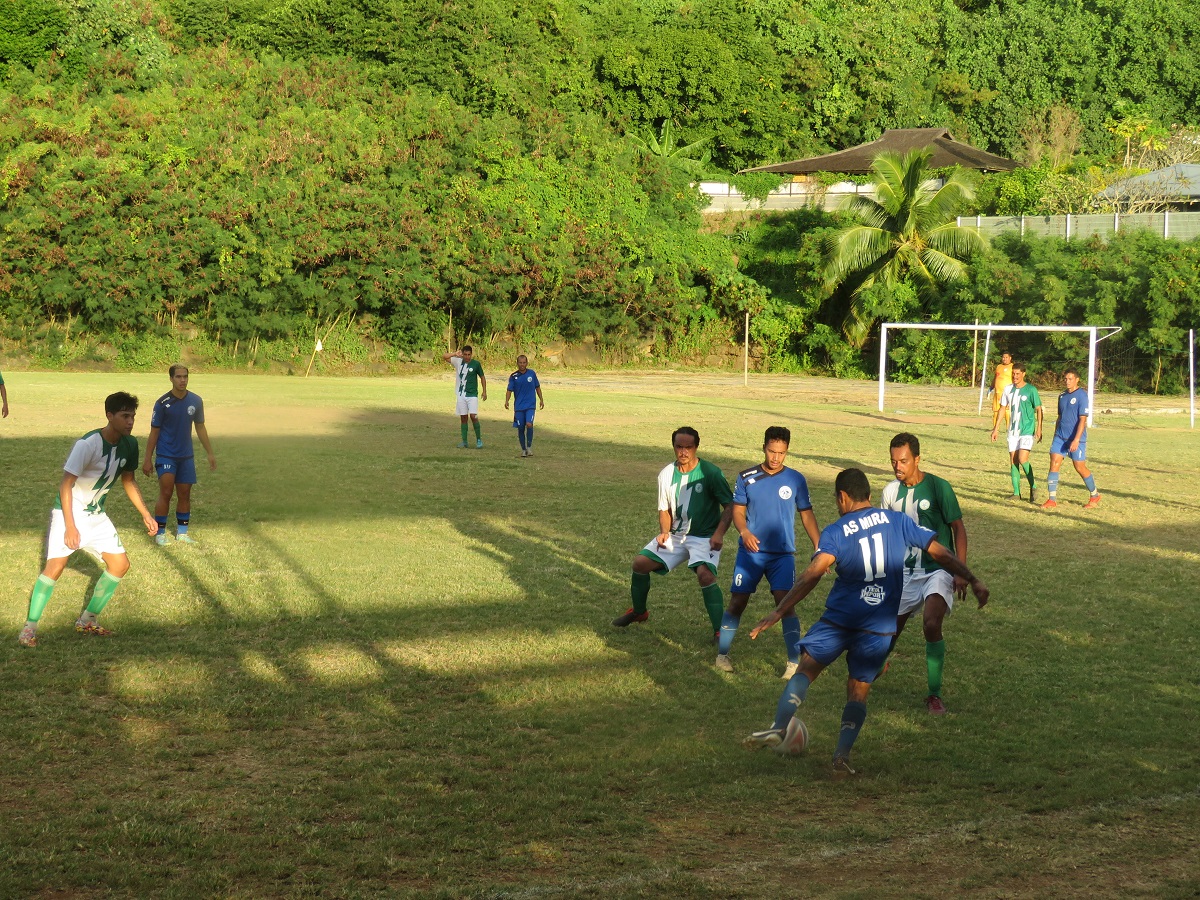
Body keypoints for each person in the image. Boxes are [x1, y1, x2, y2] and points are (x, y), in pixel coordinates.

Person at [743, 468, 988, 777]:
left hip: (840, 619)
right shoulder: (898, 521)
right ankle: (841, 756)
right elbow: (942, 554)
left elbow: (813, 573)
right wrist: (972, 578)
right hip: (878, 626)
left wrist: (780, 610)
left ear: (842, 497)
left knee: (807, 668)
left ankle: (779, 726)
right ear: (869, 495)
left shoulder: (836, 531)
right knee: (858, 690)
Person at [18, 392, 158, 647]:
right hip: (69, 512)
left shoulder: (130, 444)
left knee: (120, 565)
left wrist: (145, 513)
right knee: (55, 567)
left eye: (133, 416)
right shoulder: (88, 444)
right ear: (109, 416)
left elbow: (128, 480)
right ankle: (29, 628)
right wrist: (70, 527)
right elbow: (65, 484)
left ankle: (87, 621)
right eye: (125, 416)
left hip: (96, 515)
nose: (130, 422)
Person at [715, 426, 820, 676]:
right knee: (738, 601)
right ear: (764, 447)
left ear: (787, 451)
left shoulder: (796, 479)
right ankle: (722, 655)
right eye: (772, 451)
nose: (776, 457)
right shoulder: (746, 477)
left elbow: (806, 515)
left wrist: (819, 546)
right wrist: (744, 532)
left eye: (781, 453)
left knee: (786, 604)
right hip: (750, 553)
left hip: (782, 555)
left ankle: (793, 663)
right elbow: (738, 511)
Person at [612, 427, 733, 638]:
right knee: (640, 564)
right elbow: (664, 509)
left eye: (688, 447)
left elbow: (730, 506)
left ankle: (720, 631)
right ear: (673, 447)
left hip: (704, 537)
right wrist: (664, 532)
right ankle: (639, 612)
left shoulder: (711, 473)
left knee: (705, 576)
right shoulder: (666, 474)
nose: (683, 452)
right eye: (679, 447)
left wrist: (719, 533)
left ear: (696, 447)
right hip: (676, 535)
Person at [880, 433, 968, 715]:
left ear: (917, 459)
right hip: (904, 573)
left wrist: (961, 570)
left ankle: (934, 695)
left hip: (937, 570)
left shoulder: (939, 487)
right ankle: (876, 665)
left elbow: (958, 528)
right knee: (889, 631)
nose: (897, 466)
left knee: (931, 623)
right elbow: (887, 536)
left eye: (903, 461)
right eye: (894, 461)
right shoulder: (890, 493)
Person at [142, 365, 216, 545]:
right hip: (166, 455)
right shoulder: (162, 403)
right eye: (178, 377)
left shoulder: (196, 401)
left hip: (186, 456)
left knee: (185, 494)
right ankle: (160, 533)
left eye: (185, 376)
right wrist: (147, 458)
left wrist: (210, 452)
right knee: (166, 492)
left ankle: (182, 533)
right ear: (171, 379)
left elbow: (200, 427)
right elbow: (154, 431)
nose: (182, 380)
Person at [1043, 366, 1101, 509]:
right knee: (1054, 462)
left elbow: (1082, 420)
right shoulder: (1062, 396)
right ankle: (1051, 499)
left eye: (1070, 379)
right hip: (1060, 437)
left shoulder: (1082, 396)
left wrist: (1076, 439)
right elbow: (1060, 417)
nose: (1067, 381)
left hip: (1076, 439)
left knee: (1079, 467)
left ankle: (1094, 495)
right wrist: (1055, 435)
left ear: (1077, 380)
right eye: (1065, 379)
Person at [990, 361, 1042, 501]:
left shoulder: (1031, 390)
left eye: (1018, 374)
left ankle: (1033, 486)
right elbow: (1002, 408)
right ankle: (1016, 493)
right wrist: (996, 429)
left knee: (1022, 459)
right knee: (1013, 461)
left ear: (1023, 374)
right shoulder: (1008, 389)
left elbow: (1038, 409)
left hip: (1027, 430)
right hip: (1013, 431)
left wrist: (1039, 427)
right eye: (1013, 374)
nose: (1015, 376)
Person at [444, 346, 487, 448]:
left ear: (471, 354)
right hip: (461, 394)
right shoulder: (458, 361)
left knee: (473, 416)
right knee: (463, 417)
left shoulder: (476, 364)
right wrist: (455, 354)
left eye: (469, 355)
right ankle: (464, 441)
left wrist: (484, 391)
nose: (467, 357)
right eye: (465, 354)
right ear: (462, 354)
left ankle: (479, 440)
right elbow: (444, 357)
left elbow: (482, 377)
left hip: (472, 394)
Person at [504, 355, 544, 458]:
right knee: (521, 428)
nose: (522, 365)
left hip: (530, 405)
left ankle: (529, 447)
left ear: (527, 363)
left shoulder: (532, 373)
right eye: (520, 363)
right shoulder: (514, 376)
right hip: (519, 407)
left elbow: (537, 387)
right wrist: (507, 401)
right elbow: (509, 390)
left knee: (529, 424)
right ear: (517, 363)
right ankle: (523, 449)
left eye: (524, 362)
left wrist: (541, 399)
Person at [990, 352, 1013, 431]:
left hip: (1007, 393)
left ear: (1010, 358)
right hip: (997, 392)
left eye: (1006, 357)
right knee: (996, 411)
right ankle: (995, 428)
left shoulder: (1012, 367)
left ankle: (1008, 428)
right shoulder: (999, 366)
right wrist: (991, 387)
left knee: (1006, 410)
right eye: (1003, 357)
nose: (1004, 359)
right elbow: (995, 378)